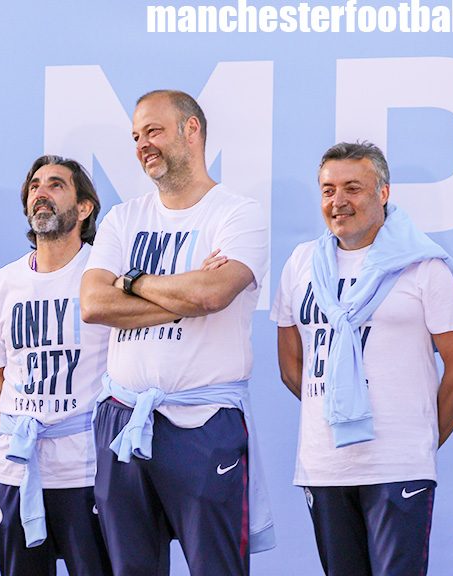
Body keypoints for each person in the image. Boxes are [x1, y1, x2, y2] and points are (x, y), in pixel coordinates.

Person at [79, 89, 273, 575]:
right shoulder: (124, 218)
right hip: (123, 421)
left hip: (204, 423)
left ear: (192, 130)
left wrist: (134, 281)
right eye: (136, 136)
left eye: (154, 131)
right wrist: (181, 298)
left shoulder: (236, 213)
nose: (143, 144)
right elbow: (94, 303)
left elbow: (213, 294)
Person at [271, 141, 453, 576]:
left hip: (398, 464)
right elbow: (293, 367)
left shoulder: (423, 267)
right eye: (328, 190)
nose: (338, 201)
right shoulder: (301, 264)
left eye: (353, 188)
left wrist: (417, 441)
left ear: (383, 193)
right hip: (324, 466)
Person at [0, 154, 111, 575]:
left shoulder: (103, 274)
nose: (41, 193)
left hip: (85, 468)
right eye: (35, 186)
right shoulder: (2, 284)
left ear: (84, 207)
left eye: (56, 185)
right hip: (16, 469)